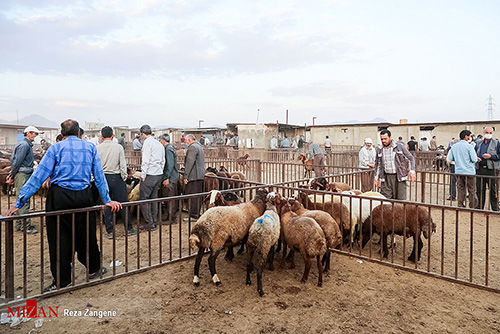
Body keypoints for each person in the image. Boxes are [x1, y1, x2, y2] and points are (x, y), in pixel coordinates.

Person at [3, 119, 121, 292]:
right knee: (86, 234)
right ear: (79, 132)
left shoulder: (56, 149)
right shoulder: (90, 148)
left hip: (60, 198)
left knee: (59, 237)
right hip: (84, 196)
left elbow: (38, 176)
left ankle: (62, 280)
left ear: (63, 133)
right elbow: (99, 176)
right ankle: (95, 269)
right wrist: (106, 199)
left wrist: (19, 202)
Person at [97, 126, 136, 238]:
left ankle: (110, 231)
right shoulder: (118, 147)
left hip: (104, 178)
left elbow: (96, 166)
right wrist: (124, 177)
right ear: (113, 136)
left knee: (107, 203)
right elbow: (122, 164)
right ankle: (128, 229)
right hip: (117, 177)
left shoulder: (97, 148)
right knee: (123, 203)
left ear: (102, 137)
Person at [7, 126, 41, 234]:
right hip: (23, 174)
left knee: (21, 198)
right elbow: (17, 162)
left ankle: (19, 224)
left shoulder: (24, 145)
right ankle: (26, 226)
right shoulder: (24, 145)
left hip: (22, 173)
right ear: (29, 133)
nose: (36, 136)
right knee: (24, 199)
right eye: (35, 133)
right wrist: (12, 175)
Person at [374, 130, 416, 200]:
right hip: (386, 177)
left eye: (385, 139)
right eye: (382, 139)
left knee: (400, 199)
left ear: (390, 137)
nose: (383, 141)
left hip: (399, 176)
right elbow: (377, 164)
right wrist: (376, 178)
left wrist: (412, 171)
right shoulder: (379, 149)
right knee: (385, 200)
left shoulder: (399, 147)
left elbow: (411, 158)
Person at [138, 125, 165, 231]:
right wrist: (160, 171)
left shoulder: (147, 143)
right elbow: (163, 160)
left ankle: (149, 223)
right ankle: (154, 221)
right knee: (154, 198)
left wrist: (143, 175)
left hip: (150, 174)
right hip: (158, 174)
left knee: (144, 199)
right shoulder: (158, 143)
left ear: (142, 134)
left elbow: (145, 160)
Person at [447, 130, 479, 208]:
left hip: (459, 171)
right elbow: (474, 159)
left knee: (461, 189)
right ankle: (473, 206)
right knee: (472, 190)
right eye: (469, 136)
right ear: (466, 137)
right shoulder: (469, 146)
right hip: (469, 172)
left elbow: (450, 158)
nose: (470, 137)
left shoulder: (454, 146)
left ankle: (460, 204)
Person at [475, 127, 500, 211]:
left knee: (493, 189)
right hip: (480, 168)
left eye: (490, 132)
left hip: (491, 169)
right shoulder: (478, 143)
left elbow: (499, 156)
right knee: (480, 189)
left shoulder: (496, 143)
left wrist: (491, 156)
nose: (488, 134)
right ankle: (479, 206)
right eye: (486, 132)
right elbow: (474, 154)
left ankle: (495, 208)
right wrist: (477, 158)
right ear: (483, 132)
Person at [159, 134, 179, 221]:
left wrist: (166, 177)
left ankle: (172, 218)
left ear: (163, 140)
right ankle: (169, 216)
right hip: (171, 177)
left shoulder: (168, 149)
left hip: (170, 178)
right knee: (168, 198)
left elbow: (169, 165)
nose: (160, 142)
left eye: (160, 140)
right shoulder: (168, 148)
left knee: (170, 198)